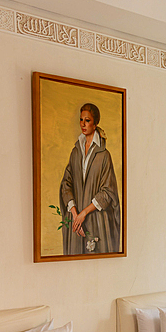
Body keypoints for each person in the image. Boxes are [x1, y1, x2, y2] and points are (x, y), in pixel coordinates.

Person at [59, 103, 121, 254]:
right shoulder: (75, 152)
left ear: (95, 123)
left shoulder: (104, 155)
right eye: (81, 120)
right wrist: (75, 215)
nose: (83, 124)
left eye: (87, 120)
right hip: (77, 223)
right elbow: (66, 184)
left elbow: (108, 192)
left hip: (97, 221)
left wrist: (84, 213)